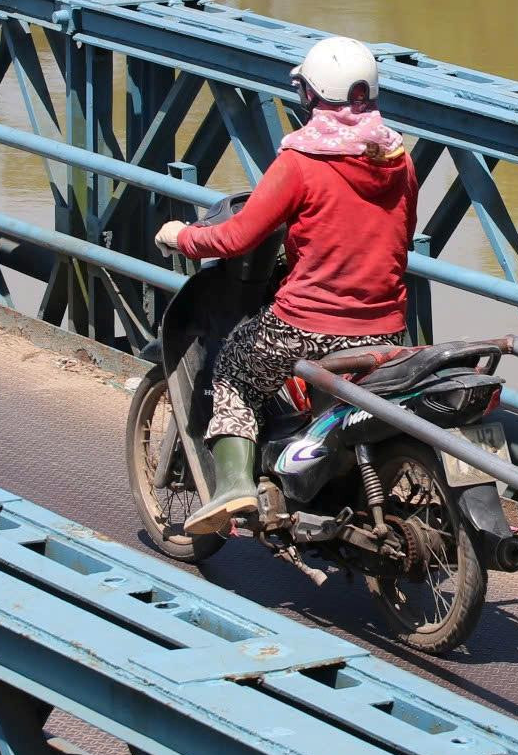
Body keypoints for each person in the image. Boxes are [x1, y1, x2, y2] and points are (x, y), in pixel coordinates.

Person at [154, 35, 417, 536]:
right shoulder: (399, 159)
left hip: (309, 324)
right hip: (384, 330)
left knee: (232, 370)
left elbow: (236, 236)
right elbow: (398, 237)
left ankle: (234, 488)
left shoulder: (301, 162)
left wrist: (184, 237)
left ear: (312, 98)